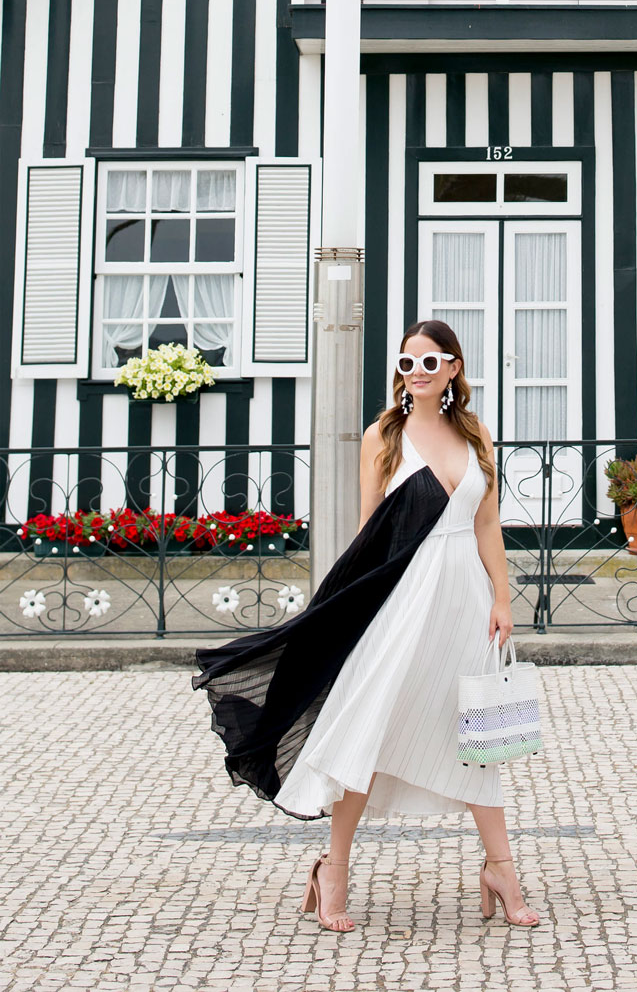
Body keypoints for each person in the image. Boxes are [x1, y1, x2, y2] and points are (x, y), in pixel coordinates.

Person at [192, 319, 540, 932]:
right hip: (400, 595)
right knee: (367, 726)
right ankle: (335, 868)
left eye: (430, 363)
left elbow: (488, 524)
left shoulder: (477, 433)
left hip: (463, 595)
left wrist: (503, 601)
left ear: (454, 368)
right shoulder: (384, 434)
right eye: (407, 364)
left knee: (478, 734)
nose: (417, 374)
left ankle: (501, 868)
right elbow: (368, 531)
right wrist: (353, 609)